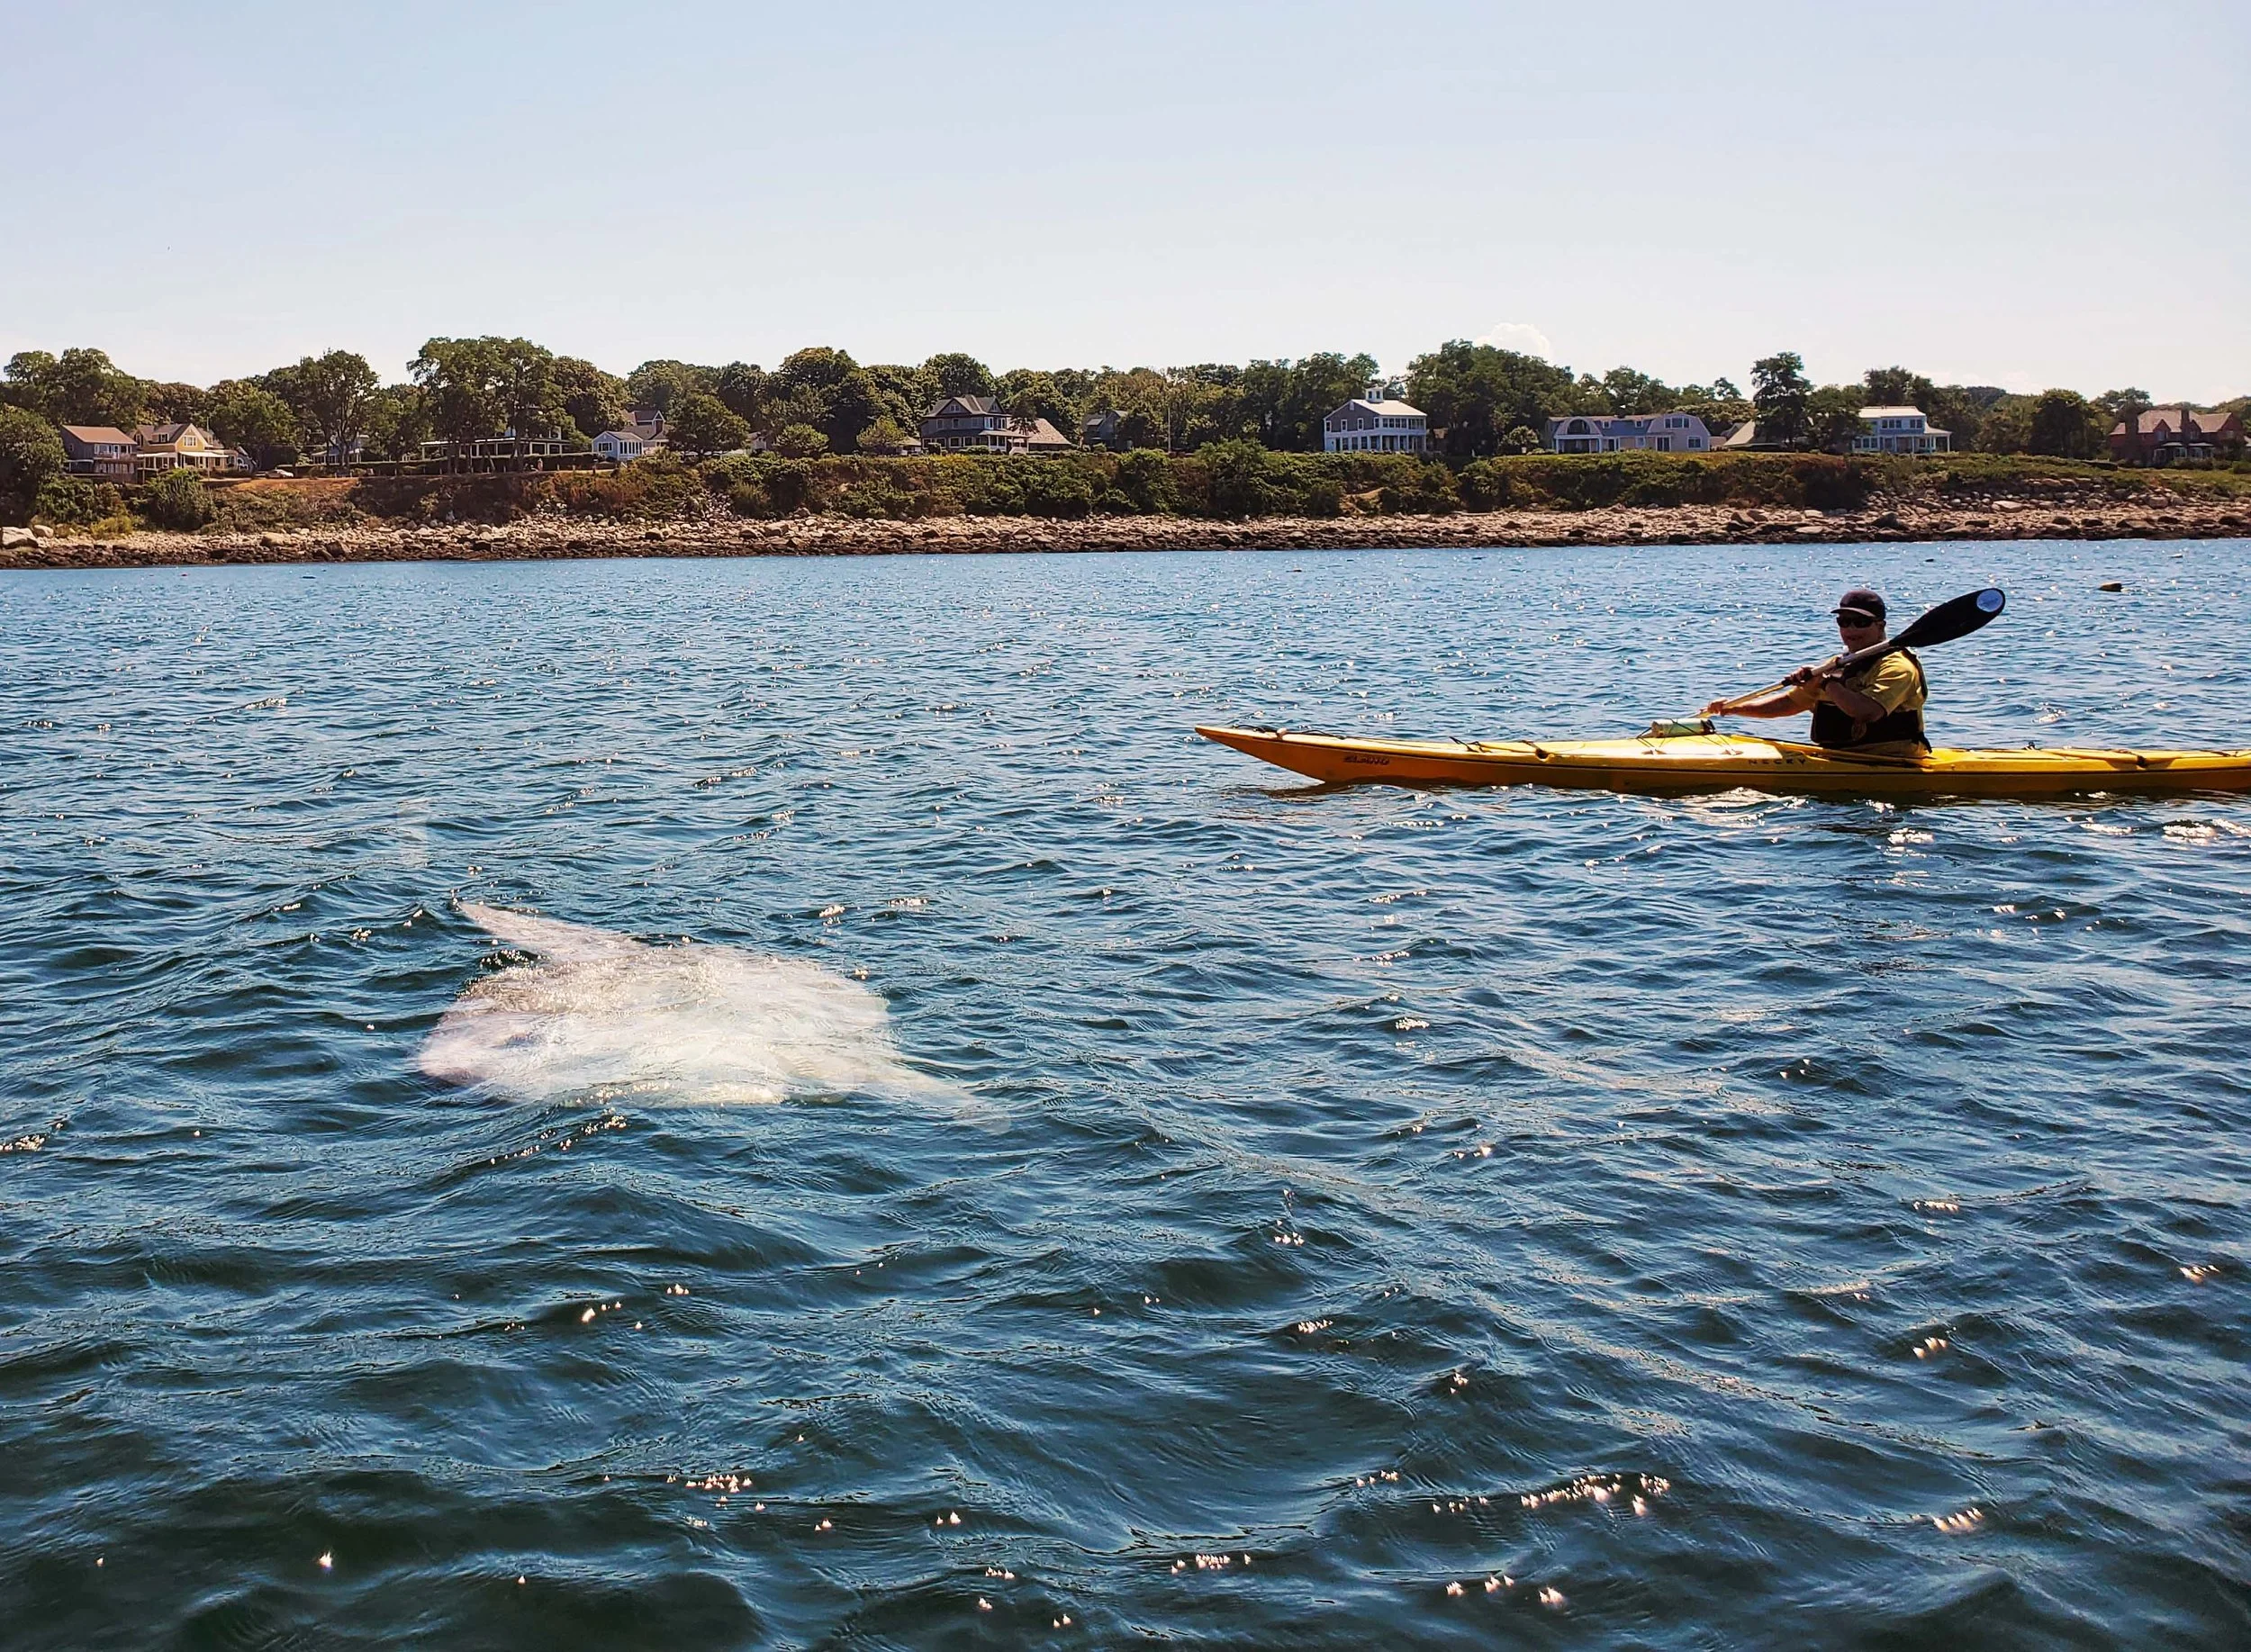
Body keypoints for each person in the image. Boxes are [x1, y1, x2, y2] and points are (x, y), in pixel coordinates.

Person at [1702, 588, 1929, 754]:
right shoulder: (1838, 665)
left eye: (1860, 622)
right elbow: (1789, 704)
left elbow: (1868, 712)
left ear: (1880, 626)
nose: (1850, 629)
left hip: (1891, 761)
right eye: (1844, 622)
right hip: (1842, 757)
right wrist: (1732, 708)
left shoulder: (1897, 667)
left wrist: (1824, 683)